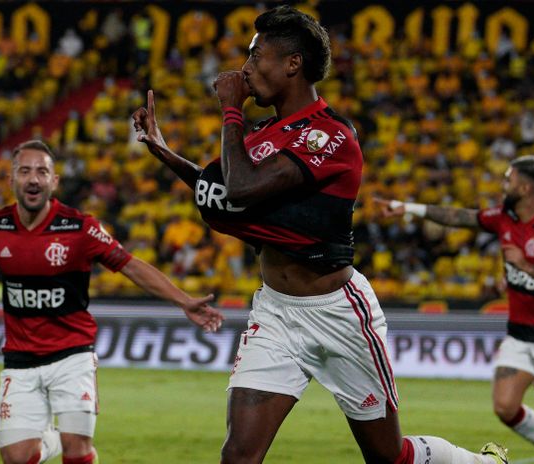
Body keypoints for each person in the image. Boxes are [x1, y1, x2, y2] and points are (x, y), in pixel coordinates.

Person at [133, 6, 506, 464]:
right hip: (275, 312)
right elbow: (224, 193)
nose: (245, 69)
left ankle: (480, 463)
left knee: (388, 458)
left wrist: (230, 108)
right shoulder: (265, 134)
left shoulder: (330, 136)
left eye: (256, 57)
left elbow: (242, 187)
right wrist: (164, 151)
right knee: (238, 456)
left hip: (337, 313)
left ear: (293, 64)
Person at [0, 140, 224, 464]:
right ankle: (54, 438)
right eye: (24, 171)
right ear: (11, 179)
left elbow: (130, 264)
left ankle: (71, 439)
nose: (33, 178)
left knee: (77, 451)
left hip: (72, 356)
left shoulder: (80, 227)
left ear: (54, 181)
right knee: (16, 458)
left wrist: (183, 301)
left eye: (42, 172)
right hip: (20, 359)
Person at [378, 155, 534, 464]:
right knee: (505, 407)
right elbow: (460, 217)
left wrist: (524, 266)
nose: (503, 185)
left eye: (509, 180)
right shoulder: (505, 218)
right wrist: (409, 208)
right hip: (520, 334)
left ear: (525, 187)